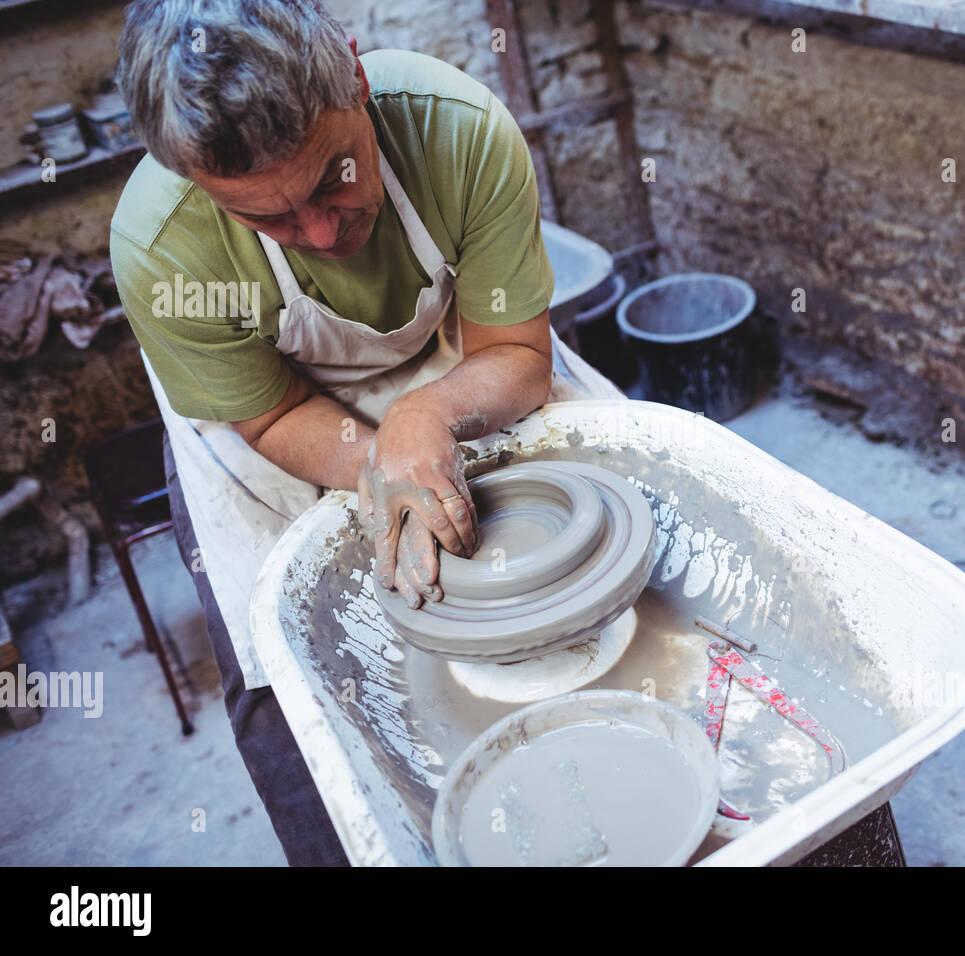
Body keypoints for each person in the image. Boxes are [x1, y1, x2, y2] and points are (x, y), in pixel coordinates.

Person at [109, 0, 621, 865]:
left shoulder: (456, 131)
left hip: (461, 358)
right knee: (293, 695)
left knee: (631, 528)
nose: (318, 233)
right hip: (273, 420)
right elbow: (269, 414)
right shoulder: (162, 249)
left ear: (353, 72)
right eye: (266, 220)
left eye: (331, 179)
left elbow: (515, 355)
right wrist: (378, 465)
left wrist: (425, 416)